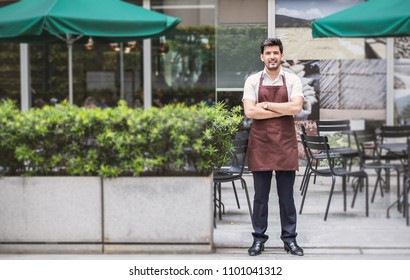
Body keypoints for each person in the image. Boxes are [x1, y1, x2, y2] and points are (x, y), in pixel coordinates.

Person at [242, 38, 305, 256]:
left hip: (285, 144)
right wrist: (283, 109)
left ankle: (290, 240)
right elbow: (250, 112)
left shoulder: (293, 79)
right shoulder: (251, 80)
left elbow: (296, 108)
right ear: (262, 57)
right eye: (268, 53)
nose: (272, 57)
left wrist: (267, 105)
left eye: (276, 53)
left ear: (281, 55)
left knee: (287, 198)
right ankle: (259, 239)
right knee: (260, 198)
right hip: (261, 144)